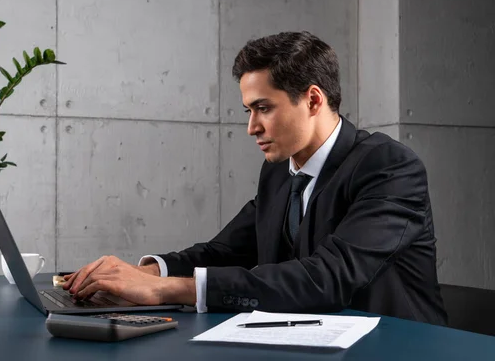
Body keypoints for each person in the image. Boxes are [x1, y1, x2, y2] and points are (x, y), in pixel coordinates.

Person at [63, 31, 447, 325]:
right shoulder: (280, 171)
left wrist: (165, 289)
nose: (251, 127)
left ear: (313, 100)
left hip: (395, 347)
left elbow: (327, 278)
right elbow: (226, 251)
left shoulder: (390, 167)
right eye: (249, 109)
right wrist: (144, 272)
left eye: (263, 108)